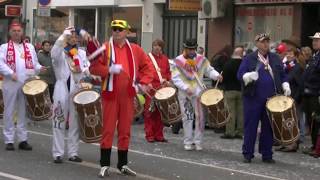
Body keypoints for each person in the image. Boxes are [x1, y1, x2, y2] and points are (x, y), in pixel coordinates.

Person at [89, 20, 154, 177]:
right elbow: (93, 68)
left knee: (125, 130)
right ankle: (104, 164)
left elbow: (148, 68)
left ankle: (122, 164)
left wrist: (143, 83)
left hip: (128, 95)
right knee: (108, 129)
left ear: (127, 31)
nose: (116, 31)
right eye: (114, 29)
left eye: (120, 29)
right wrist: (108, 69)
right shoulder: (105, 48)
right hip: (110, 95)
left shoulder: (136, 50)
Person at [237, 33, 290, 163]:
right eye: (262, 42)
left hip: (271, 99)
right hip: (252, 98)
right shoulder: (249, 58)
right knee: (251, 126)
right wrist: (248, 76)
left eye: (267, 41)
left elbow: (283, 74)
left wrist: (285, 84)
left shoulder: (275, 58)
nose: (266, 44)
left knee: (269, 127)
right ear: (257, 44)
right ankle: (248, 153)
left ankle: (267, 154)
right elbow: (240, 74)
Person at [0, 21, 46, 151]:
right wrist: (10, 73)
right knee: (9, 111)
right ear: (10, 33)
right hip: (11, 82)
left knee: (23, 111)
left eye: (18, 31)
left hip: (26, 83)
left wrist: (40, 68)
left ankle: (22, 139)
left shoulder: (29, 47)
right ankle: (9, 139)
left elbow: (34, 64)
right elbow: (0, 63)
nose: (16, 33)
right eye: (14, 31)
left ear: (22, 33)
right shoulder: (4, 47)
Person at [172, 39, 222, 151]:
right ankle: (188, 141)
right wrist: (185, 87)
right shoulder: (178, 61)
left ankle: (198, 141)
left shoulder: (201, 59)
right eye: (189, 49)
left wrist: (216, 75)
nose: (191, 51)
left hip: (198, 92)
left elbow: (209, 70)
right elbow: (175, 78)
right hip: (184, 93)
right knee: (187, 117)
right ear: (184, 48)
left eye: (193, 49)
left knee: (200, 117)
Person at [50, 26, 91, 164]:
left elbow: (86, 68)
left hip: (76, 88)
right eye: (70, 36)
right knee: (59, 121)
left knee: (75, 123)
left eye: (75, 36)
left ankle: (73, 152)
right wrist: (62, 35)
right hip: (61, 87)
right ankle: (58, 153)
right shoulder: (60, 51)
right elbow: (54, 54)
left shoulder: (81, 53)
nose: (73, 38)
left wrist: (86, 71)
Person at [143, 39, 171, 143]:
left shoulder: (165, 59)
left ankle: (159, 135)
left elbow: (168, 72)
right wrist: (146, 82)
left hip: (161, 88)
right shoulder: (147, 58)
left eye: (159, 46)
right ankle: (149, 135)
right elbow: (142, 71)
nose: (157, 47)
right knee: (149, 112)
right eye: (155, 45)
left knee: (160, 112)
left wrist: (167, 80)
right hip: (151, 88)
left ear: (162, 48)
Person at [302, 32, 320, 156]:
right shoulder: (315, 56)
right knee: (310, 121)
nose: (314, 42)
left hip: (315, 94)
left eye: (317, 40)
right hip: (308, 93)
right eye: (313, 40)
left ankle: (317, 147)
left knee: (315, 121)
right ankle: (314, 145)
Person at [220, 46, 244, 139]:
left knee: (230, 112)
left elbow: (223, 77)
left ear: (234, 53)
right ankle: (240, 132)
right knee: (241, 112)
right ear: (241, 54)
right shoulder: (243, 64)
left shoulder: (228, 64)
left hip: (230, 90)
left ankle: (230, 132)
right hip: (241, 90)